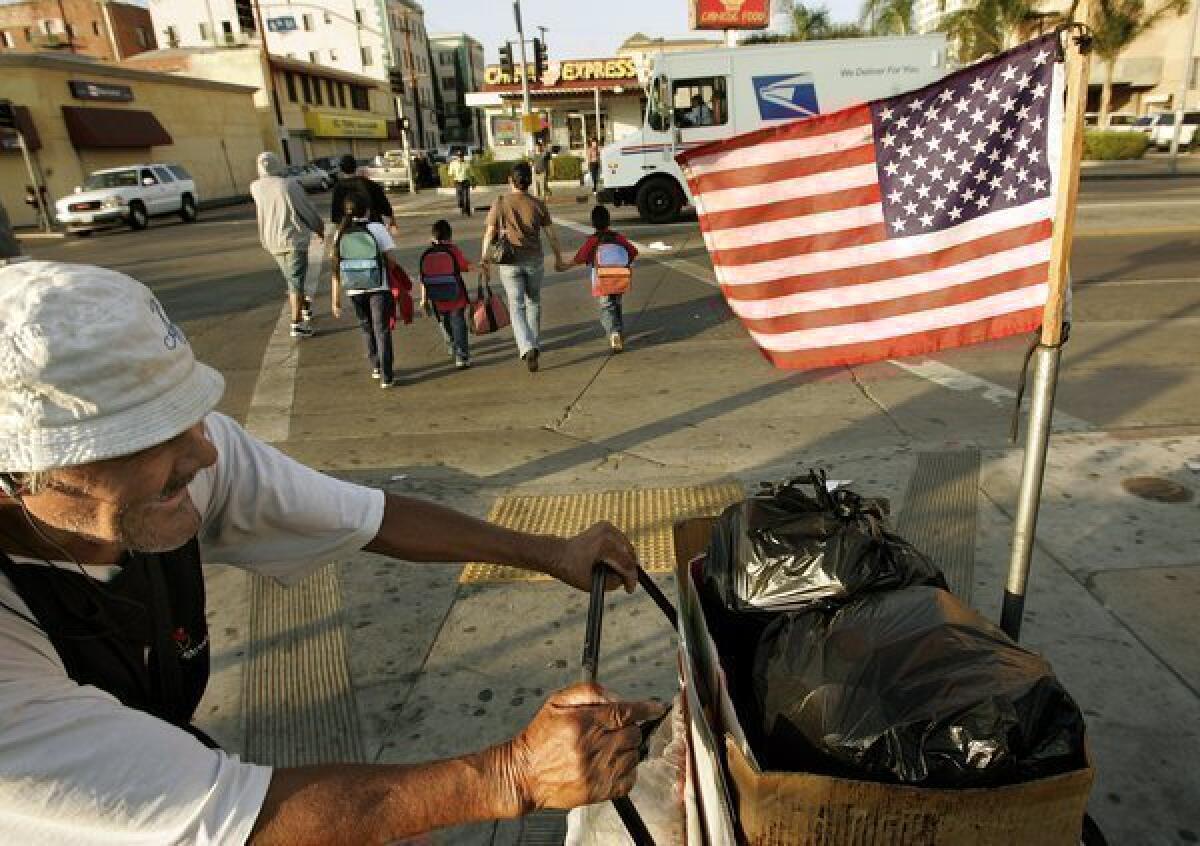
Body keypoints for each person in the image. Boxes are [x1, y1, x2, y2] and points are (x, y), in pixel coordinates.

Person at [0, 260, 660, 844]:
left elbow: (369, 517)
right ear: (16, 478)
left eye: (190, 416)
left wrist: (550, 552)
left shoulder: (188, 463)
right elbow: (234, 818)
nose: (202, 454)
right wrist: (510, 774)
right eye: (147, 440)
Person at [480, 162, 567, 373]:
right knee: (534, 302)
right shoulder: (538, 204)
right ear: (529, 181)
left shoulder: (500, 203)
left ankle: (526, 346)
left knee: (516, 306)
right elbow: (552, 235)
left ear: (511, 180)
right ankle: (534, 344)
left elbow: (489, 234)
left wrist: (485, 261)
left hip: (509, 263)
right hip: (534, 262)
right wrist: (558, 258)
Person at [249, 152, 324, 338]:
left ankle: (303, 306)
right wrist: (319, 227)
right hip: (293, 239)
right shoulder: (289, 185)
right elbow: (305, 209)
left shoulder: (255, 187)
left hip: (271, 240)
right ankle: (296, 323)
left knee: (292, 279)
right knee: (296, 281)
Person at [331, 193, 402, 388]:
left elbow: (336, 267)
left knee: (366, 328)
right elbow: (392, 260)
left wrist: (335, 300)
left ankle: (376, 366)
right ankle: (387, 376)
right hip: (379, 286)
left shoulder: (341, 232)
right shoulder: (377, 228)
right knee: (382, 330)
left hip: (354, 289)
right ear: (367, 210)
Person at [561, 205, 637, 353]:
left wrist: (565, 266)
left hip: (602, 280)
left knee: (606, 307)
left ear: (593, 223)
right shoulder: (618, 237)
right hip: (620, 277)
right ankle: (619, 332)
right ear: (609, 221)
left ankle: (614, 334)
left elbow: (580, 257)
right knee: (616, 304)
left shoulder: (594, 240)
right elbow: (633, 251)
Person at [419, 219, 473, 369]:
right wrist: (480, 268)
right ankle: (461, 356)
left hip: (437, 297)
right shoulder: (452, 250)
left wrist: (424, 299)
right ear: (450, 236)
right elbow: (464, 266)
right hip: (456, 295)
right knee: (458, 324)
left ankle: (452, 345)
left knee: (445, 322)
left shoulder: (427, 253)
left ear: (433, 237)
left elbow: (423, 278)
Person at [330, 153, 396, 232]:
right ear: (355, 167)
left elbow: (336, 214)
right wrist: (392, 220)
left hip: (349, 229)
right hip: (373, 226)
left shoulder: (338, 188)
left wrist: (339, 232)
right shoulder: (370, 184)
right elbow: (384, 205)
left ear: (341, 169)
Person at [448, 150, 473, 216]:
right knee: (460, 198)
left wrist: (473, 182)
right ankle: (462, 207)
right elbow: (450, 174)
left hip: (465, 181)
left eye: (461, 156)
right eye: (459, 156)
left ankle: (467, 211)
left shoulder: (467, 163)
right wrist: (451, 182)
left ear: (463, 157)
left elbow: (471, 173)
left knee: (466, 197)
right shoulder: (453, 164)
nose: (460, 158)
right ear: (456, 157)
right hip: (457, 182)